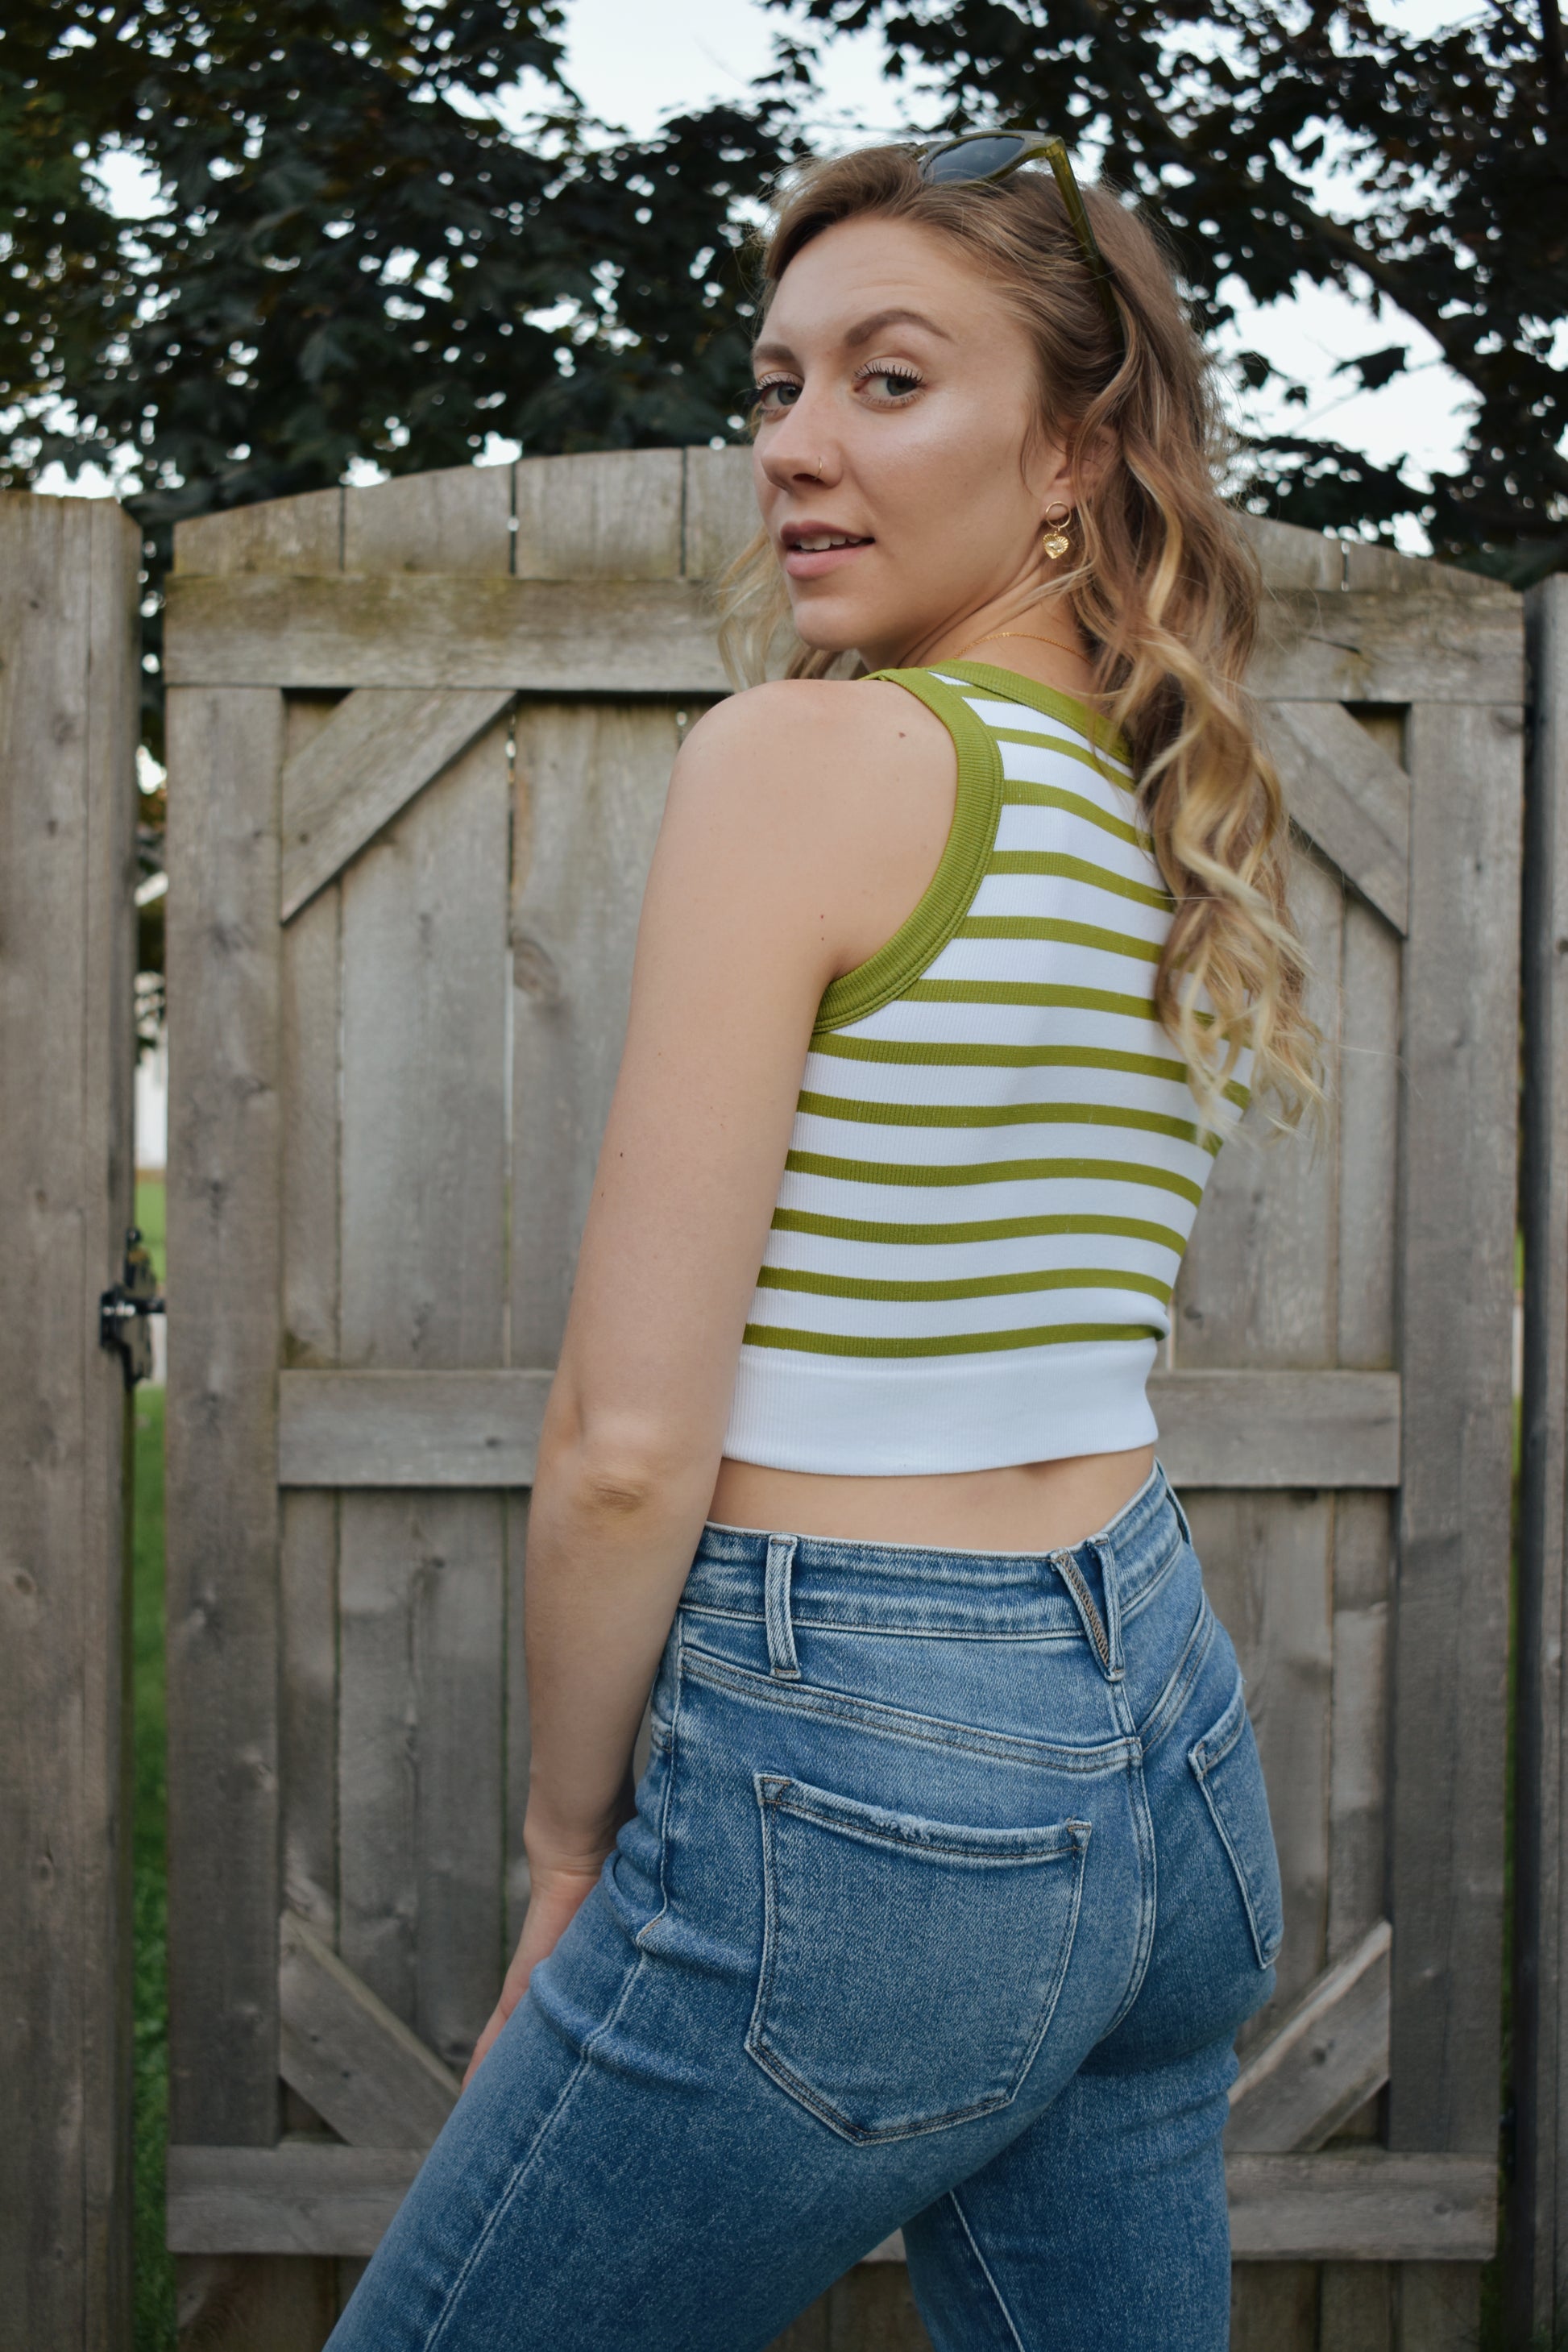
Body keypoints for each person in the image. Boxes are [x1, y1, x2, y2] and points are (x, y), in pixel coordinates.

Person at [329, 133, 1319, 2352]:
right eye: (776, 386)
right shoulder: (1149, 802)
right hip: (1158, 1736)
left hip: (877, 1763)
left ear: (1071, 445)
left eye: (885, 381)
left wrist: (572, 1855)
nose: (792, 445)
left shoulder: (808, 762)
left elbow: (620, 1439)